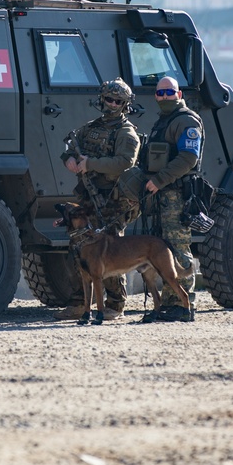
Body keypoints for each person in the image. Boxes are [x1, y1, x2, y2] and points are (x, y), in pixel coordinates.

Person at [56, 78, 141, 321]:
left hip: (112, 201)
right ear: (101, 99)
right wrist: (69, 160)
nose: (112, 104)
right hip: (87, 199)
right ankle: (80, 303)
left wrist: (90, 164)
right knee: (79, 248)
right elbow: (71, 149)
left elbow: (125, 163)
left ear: (125, 105)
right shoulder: (90, 128)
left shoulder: (126, 133)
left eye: (118, 101)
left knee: (112, 250)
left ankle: (115, 303)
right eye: (109, 99)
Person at [139, 76, 203, 322]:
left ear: (178, 94)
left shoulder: (186, 121)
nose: (164, 97)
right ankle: (169, 302)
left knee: (177, 248)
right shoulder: (164, 122)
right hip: (162, 196)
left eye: (169, 92)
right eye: (160, 93)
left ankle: (184, 304)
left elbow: (189, 158)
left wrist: (159, 180)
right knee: (163, 250)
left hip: (176, 194)